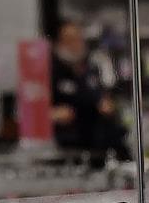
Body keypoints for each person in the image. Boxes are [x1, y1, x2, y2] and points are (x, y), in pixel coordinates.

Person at [50, 21, 129, 162]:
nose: (75, 45)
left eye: (78, 39)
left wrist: (107, 104)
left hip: (99, 146)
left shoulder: (92, 68)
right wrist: (52, 114)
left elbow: (106, 98)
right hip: (66, 147)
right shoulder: (50, 72)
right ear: (59, 43)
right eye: (69, 40)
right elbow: (33, 111)